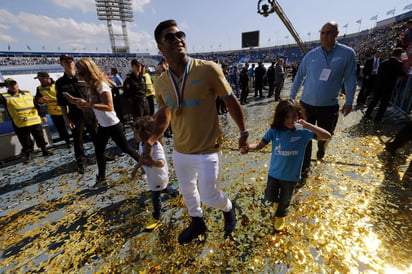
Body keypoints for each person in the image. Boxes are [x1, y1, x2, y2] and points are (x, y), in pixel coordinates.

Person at [143, 19, 249, 244]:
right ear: (160, 47)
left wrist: (243, 132)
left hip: (208, 149)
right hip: (181, 151)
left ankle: (228, 209)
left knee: (210, 196)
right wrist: (151, 141)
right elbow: (163, 114)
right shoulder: (161, 81)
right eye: (170, 37)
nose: (178, 39)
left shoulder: (208, 69)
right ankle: (197, 222)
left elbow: (230, 101)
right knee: (189, 193)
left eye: (180, 34)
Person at [248, 99, 331, 231]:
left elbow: (326, 136)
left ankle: (280, 216)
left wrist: (308, 126)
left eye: (294, 116)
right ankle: (276, 202)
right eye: (286, 117)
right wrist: (248, 147)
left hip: (291, 176)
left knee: (285, 200)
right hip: (274, 173)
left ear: (299, 115)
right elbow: (259, 145)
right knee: (269, 196)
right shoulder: (274, 131)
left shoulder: (303, 132)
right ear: (280, 117)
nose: (290, 120)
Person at [290, 21, 357, 177]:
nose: (325, 36)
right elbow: (299, 78)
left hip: (329, 106)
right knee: (303, 138)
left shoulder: (347, 54)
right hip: (306, 105)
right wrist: (291, 100)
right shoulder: (311, 55)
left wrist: (349, 101)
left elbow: (350, 79)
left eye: (329, 32)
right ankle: (304, 168)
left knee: (324, 136)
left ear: (336, 34)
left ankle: (321, 147)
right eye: (322, 33)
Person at [68, 57, 141, 190]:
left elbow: (109, 107)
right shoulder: (90, 86)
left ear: (89, 71)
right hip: (103, 124)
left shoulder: (101, 85)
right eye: (78, 73)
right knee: (99, 151)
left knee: (126, 148)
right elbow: (93, 105)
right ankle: (101, 179)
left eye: (81, 73)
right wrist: (80, 103)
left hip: (112, 124)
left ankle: (147, 165)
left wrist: (88, 104)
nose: (80, 76)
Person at [131, 116, 177, 230]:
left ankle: (157, 217)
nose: (134, 136)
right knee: (164, 189)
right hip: (152, 176)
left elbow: (162, 163)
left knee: (155, 197)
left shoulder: (156, 147)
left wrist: (152, 162)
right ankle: (175, 194)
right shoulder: (142, 144)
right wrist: (136, 168)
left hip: (158, 176)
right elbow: (142, 157)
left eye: (137, 133)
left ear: (146, 133)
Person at [56, 54, 98, 174]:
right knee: (78, 139)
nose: (69, 64)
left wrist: (97, 112)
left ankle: (102, 155)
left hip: (89, 111)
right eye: (66, 62)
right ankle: (81, 162)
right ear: (61, 64)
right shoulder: (60, 83)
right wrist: (66, 119)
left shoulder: (83, 77)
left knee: (96, 135)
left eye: (71, 61)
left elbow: (93, 94)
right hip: (74, 114)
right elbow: (62, 104)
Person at [0, 78, 53, 164]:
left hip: (34, 120)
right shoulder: (4, 96)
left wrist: (42, 115)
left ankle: (44, 150)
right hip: (20, 122)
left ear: (17, 84)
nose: (13, 86)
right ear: (6, 87)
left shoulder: (27, 93)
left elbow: (36, 104)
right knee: (24, 140)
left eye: (14, 84)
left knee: (39, 136)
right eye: (10, 85)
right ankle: (28, 155)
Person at [364, 48, 406, 122]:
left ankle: (368, 113)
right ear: (399, 55)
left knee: (375, 100)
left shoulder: (383, 62)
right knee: (384, 102)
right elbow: (401, 74)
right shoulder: (399, 63)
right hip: (389, 85)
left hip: (379, 84)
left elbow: (379, 72)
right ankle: (378, 118)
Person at [34, 71, 71, 148]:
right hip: (53, 112)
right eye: (39, 79)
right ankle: (67, 142)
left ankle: (81, 138)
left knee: (74, 125)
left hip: (66, 109)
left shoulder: (58, 84)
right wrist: (41, 99)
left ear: (47, 78)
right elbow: (37, 100)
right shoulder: (39, 88)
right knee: (61, 129)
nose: (40, 81)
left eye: (41, 79)